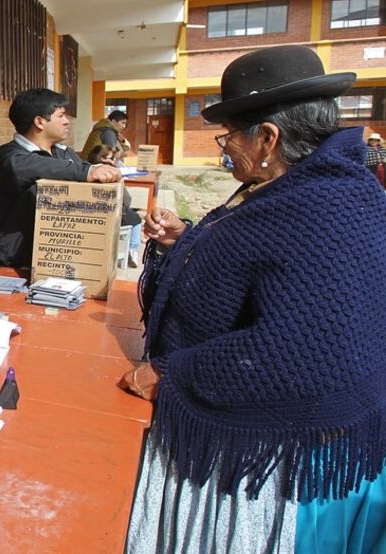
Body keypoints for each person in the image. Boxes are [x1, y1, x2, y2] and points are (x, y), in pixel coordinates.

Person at [120, 45, 386, 552]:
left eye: (229, 137)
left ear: (268, 138)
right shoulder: (303, 188)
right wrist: (187, 240)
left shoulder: (320, 208)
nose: (224, 150)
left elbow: (303, 348)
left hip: (270, 463)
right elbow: (268, 271)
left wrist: (173, 374)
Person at [0, 88, 122, 269]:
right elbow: (32, 167)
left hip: (68, 257)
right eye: (61, 116)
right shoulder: (10, 156)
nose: (67, 121)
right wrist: (88, 171)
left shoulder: (64, 154)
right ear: (40, 122)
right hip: (19, 261)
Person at [87, 145, 145, 268]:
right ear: (103, 159)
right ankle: (133, 249)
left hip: (90, 216)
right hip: (114, 216)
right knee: (137, 219)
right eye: (111, 158)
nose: (114, 160)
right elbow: (127, 199)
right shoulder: (110, 173)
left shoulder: (86, 170)